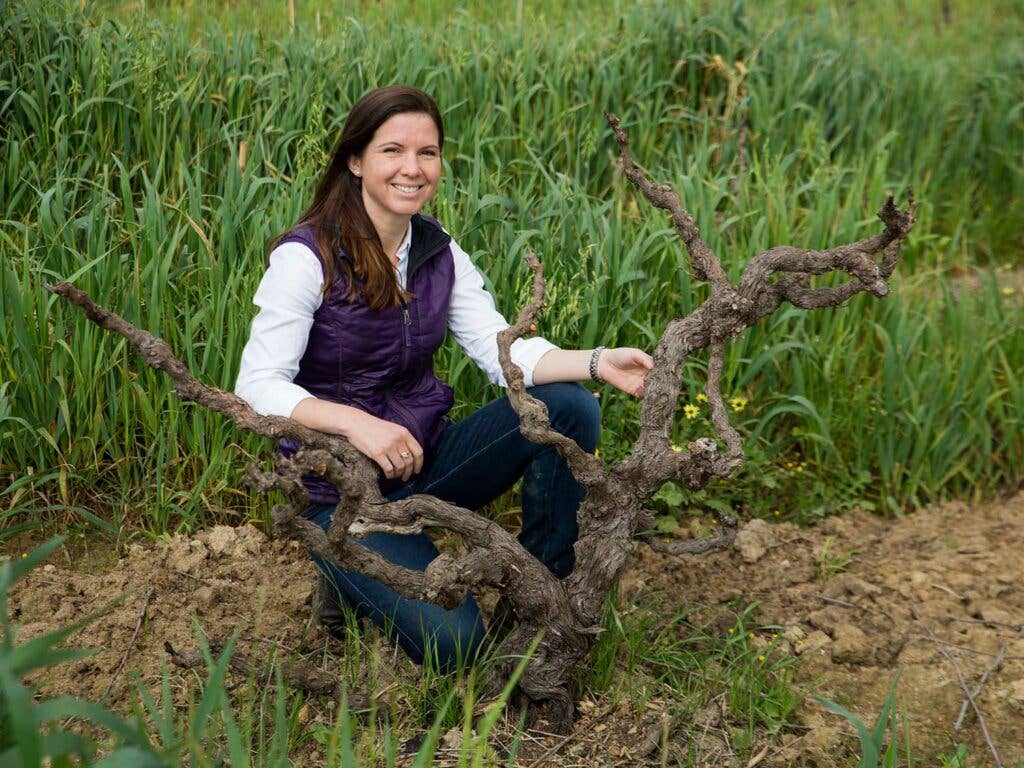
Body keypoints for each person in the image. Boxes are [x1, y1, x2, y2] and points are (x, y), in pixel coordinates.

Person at [235, 85, 653, 670]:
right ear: (356, 160)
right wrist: (359, 426)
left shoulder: (437, 250)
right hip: (340, 492)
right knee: (457, 647)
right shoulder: (307, 257)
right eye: (393, 151)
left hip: (423, 463)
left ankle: (539, 598)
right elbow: (257, 384)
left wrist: (596, 360)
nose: (413, 168)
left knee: (569, 406)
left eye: (427, 153)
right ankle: (346, 574)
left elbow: (502, 349)